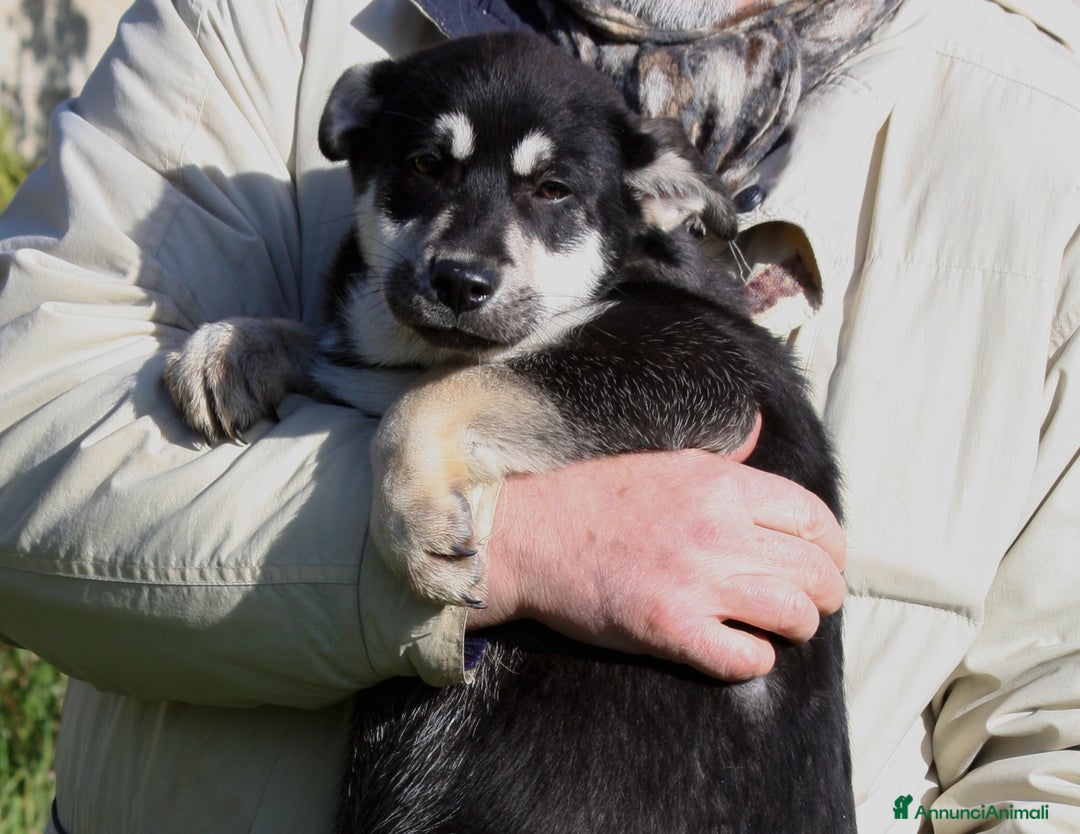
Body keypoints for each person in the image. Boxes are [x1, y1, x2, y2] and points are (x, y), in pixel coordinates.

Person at [0, 0, 1077, 831]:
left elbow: (1050, 761)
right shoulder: (262, 23)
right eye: (430, 171)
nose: (473, 250)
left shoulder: (1035, 139)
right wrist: (493, 547)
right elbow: (27, 443)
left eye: (549, 195)